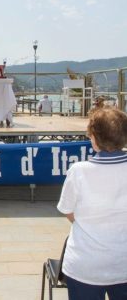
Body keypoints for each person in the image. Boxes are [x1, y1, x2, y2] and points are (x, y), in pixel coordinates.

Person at [57, 107, 127, 300]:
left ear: (94, 139)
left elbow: (68, 211)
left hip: (85, 266)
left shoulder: (79, 171)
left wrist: (92, 224)